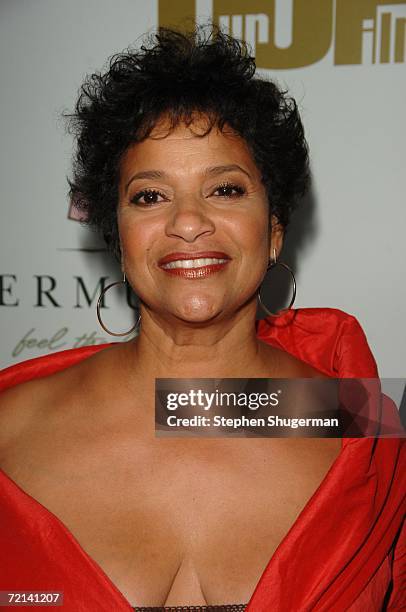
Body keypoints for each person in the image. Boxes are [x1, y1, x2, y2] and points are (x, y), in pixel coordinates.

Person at [0, 27, 404, 612]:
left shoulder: (361, 427)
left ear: (274, 230)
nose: (189, 222)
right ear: (119, 238)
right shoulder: (10, 431)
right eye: (150, 196)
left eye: (225, 188)